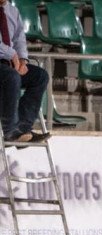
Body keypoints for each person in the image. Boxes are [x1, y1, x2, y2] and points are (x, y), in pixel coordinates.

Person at [0, 0, 49, 144]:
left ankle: (23, 128)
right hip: (5, 64)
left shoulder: (12, 11)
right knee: (12, 77)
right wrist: (12, 55)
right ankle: (10, 131)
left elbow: (19, 37)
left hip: (8, 64)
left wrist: (22, 59)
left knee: (40, 76)